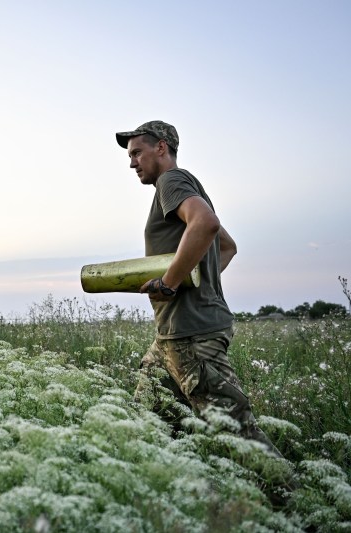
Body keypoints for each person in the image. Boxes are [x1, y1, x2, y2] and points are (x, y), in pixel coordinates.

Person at [114, 120, 281, 456]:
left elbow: (206, 225)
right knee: (147, 424)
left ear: (161, 147)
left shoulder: (171, 181)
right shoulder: (185, 188)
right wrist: (195, 276)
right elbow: (227, 247)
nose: (131, 162)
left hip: (191, 335)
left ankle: (294, 502)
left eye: (137, 153)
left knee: (236, 435)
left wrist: (170, 282)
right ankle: (180, 491)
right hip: (170, 337)